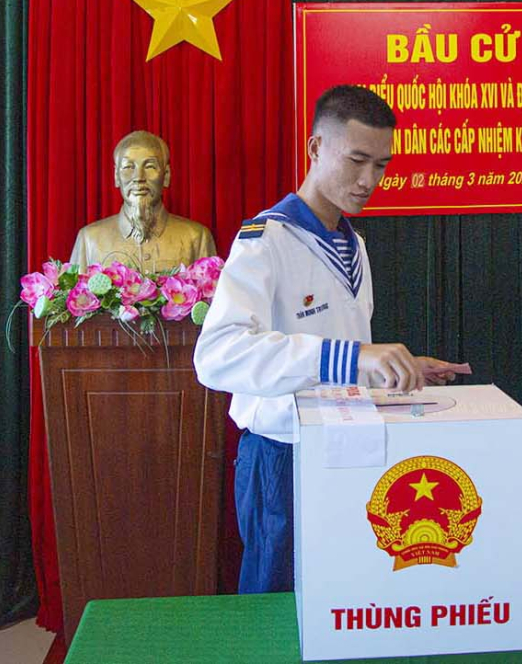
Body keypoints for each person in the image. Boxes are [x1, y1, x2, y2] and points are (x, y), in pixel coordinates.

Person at [193, 84, 461, 594]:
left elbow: (344, 352)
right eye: (357, 160)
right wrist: (354, 357)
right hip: (282, 454)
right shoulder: (266, 240)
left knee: (338, 600)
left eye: (381, 165)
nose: (368, 181)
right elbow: (217, 355)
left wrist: (391, 369)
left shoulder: (353, 244)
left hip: (345, 444)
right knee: (275, 605)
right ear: (315, 148)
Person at [69, 130, 216, 273]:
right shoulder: (89, 240)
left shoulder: (197, 238)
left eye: (149, 166)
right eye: (128, 167)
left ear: (166, 175)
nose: (138, 177)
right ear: (116, 176)